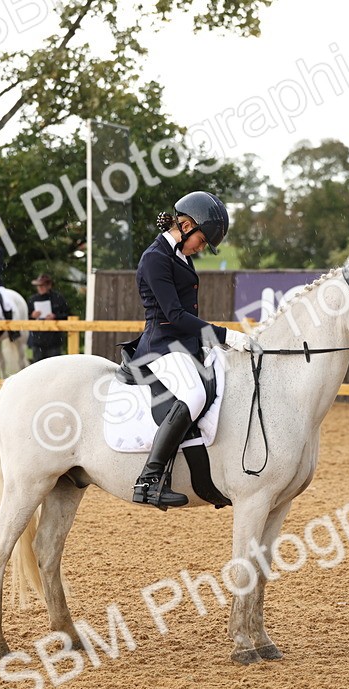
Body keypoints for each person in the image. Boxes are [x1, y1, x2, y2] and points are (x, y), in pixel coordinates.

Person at [130, 190, 249, 509]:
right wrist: (224, 335)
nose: (202, 248)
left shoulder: (179, 255)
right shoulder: (155, 258)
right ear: (185, 225)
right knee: (194, 395)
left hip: (184, 343)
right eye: (202, 240)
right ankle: (149, 479)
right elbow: (175, 316)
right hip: (161, 345)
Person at [26, 273, 71, 362]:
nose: (40, 288)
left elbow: (68, 315)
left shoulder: (58, 298)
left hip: (54, 341)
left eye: (42, 285)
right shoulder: (32, 300)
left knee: (54, 367)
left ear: (49, 285)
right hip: (38, 341)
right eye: (38, 286)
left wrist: (55, 317)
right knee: (38, 367)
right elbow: (26, 319)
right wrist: (32, 316)